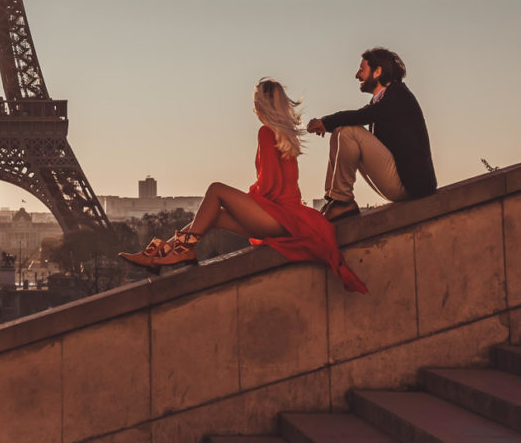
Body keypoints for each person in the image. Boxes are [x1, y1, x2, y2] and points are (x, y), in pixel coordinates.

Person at [119, 78, 367, 292]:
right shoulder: (285, 136)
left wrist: (246, 200)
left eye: (255, 101)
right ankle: (158, 255)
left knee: (216, 189)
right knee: (212, 217)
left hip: (276, 217)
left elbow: (268, 186)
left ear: (262, 105)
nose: (253, 107)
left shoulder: (266, 133)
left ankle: (178, 251)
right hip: (290, 219)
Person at [307, 47, 436, 222]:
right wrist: (330, 124)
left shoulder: (397, 94)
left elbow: (363, 115)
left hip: (411, 185)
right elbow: (365, 114)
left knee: (348, 131)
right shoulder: (382, 100)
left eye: (362, 69)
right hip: (399, 179)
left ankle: (342, 201)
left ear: (377, 72)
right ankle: (334, 199)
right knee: (341, 131)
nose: (357, 75)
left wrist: (325, 122)